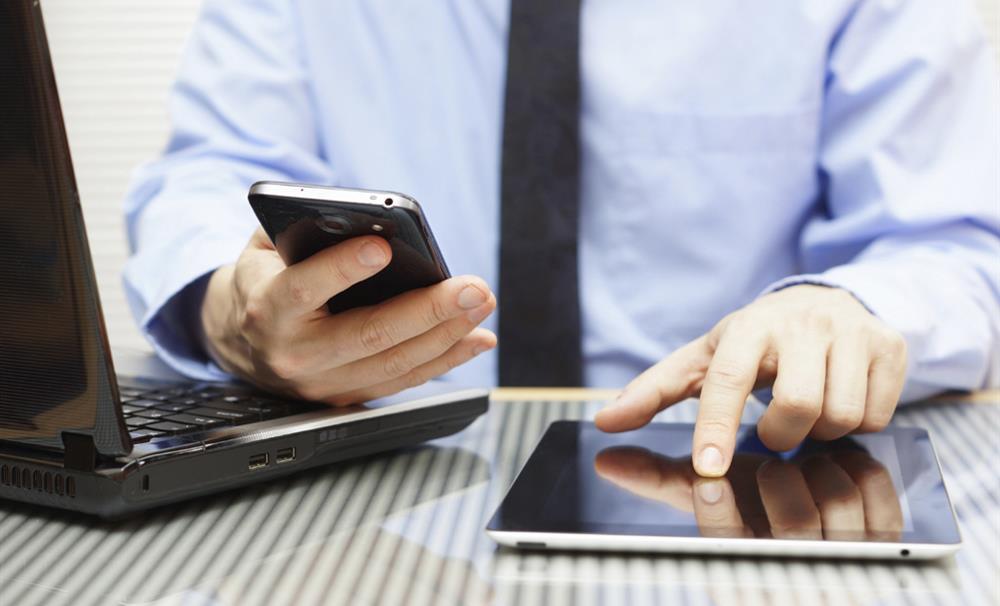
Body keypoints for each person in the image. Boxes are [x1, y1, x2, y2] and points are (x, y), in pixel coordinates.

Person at [123, 0, 999, 478]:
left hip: (740, 481)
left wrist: (849, 309)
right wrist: (228, 309)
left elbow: (954, 248)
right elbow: (208, 174)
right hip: (368, 480)